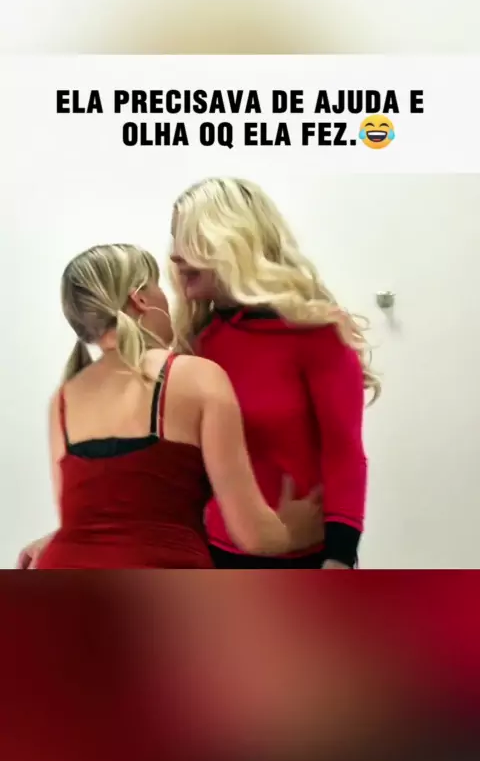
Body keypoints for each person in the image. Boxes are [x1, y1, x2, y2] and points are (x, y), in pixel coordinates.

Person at [23, 243, 323, 569]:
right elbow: (253, 535)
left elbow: (91, 518)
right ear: (140, 299)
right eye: (158, 286)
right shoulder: (195, 376)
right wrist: (295, 531)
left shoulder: (64, 399)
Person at [168, 177, 380, 569]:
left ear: (232, 241)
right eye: (174, 238)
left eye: (189, 238)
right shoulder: (197, 340)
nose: (175, 255)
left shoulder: (316, 333)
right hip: (211, 553)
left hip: (305, 559)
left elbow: (344, 452)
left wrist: (339, 557)